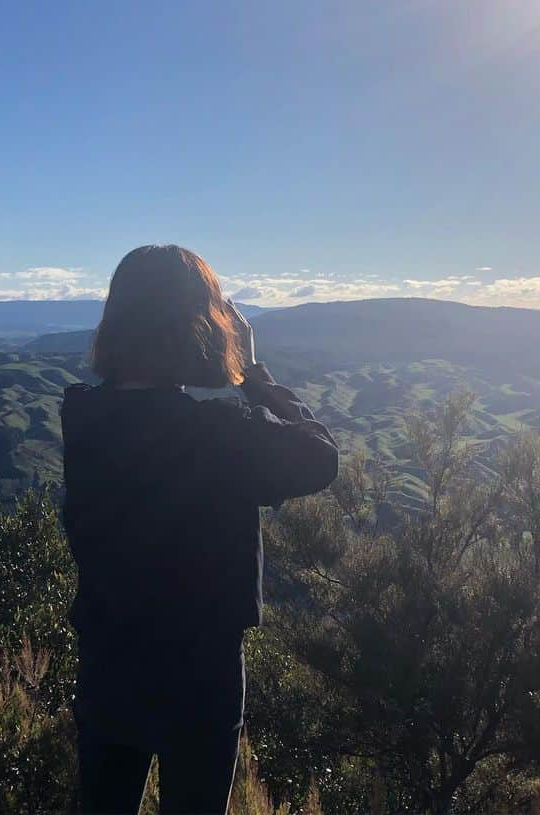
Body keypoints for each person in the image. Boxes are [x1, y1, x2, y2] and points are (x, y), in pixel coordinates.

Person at [61, 245, 339, 814]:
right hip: (199, 672)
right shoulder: (218, 436)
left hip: (108, 660)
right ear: (199, 327)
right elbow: (319, 457)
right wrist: (254, 375)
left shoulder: (85, 420)